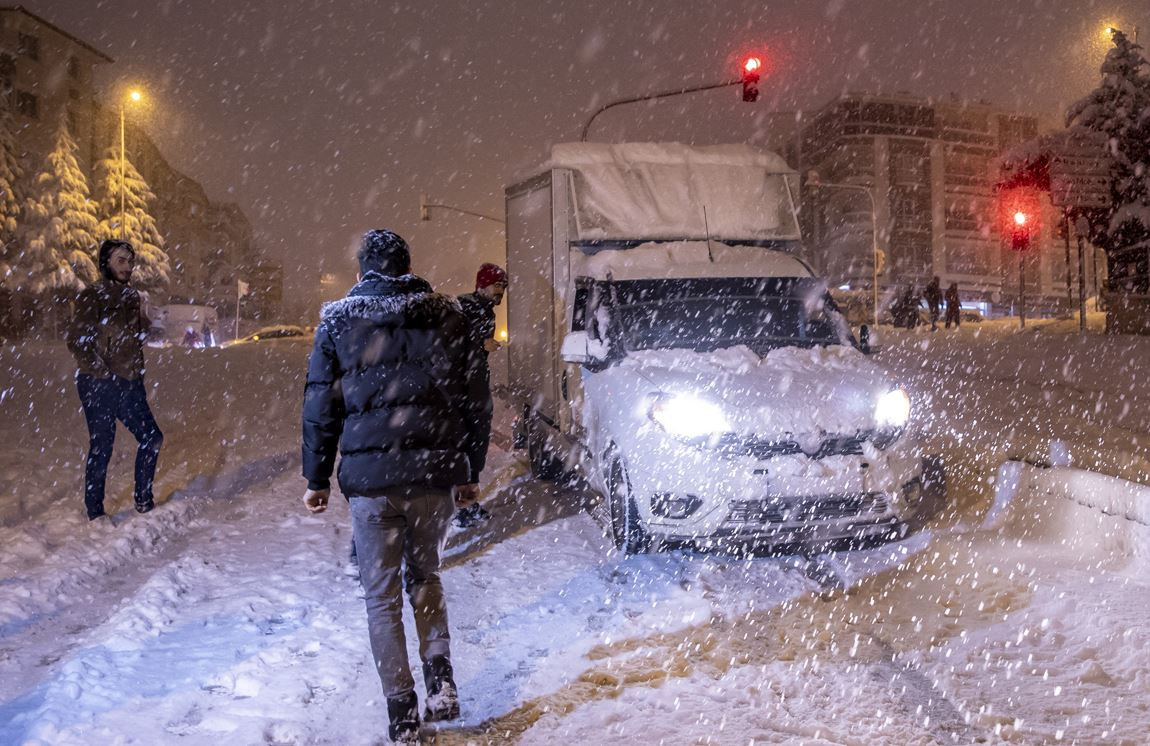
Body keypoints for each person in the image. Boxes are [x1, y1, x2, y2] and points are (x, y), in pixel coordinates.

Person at [301, 229, 489, 744]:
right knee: (426, 576)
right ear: (407, 268)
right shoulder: (448, 317)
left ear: (361, 272)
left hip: (372, 485)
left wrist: (317, 478)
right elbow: (475, 399)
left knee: (380, 597)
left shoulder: (338, 323)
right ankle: (441, 682)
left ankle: (402, 711)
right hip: (432, 475)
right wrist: (469, 471)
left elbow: (320, 405)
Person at [66, 239, 164, 521]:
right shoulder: (92, 296)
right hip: (98, 384)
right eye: (121, 260)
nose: (128, 267)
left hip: (130, 382)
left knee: (152, 437)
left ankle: (144, 502)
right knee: (102, 446)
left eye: (130, 262)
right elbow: (77, 341)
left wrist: (141, 342)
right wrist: (103, 374)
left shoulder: (132, 296)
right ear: (106, 263)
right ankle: (95, 513)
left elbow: (130, 338)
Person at [452, 262, 506, 529]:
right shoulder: (463, 307)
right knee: (463, 447)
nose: (501, 291)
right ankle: (459, 509)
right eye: (497, 285)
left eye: (503, 286)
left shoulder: (486, 311)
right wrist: (479, 344)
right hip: (462, 390)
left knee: (477, 447)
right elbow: (451, 344)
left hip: (477, 388)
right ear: (483, 284)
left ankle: (469, 503)